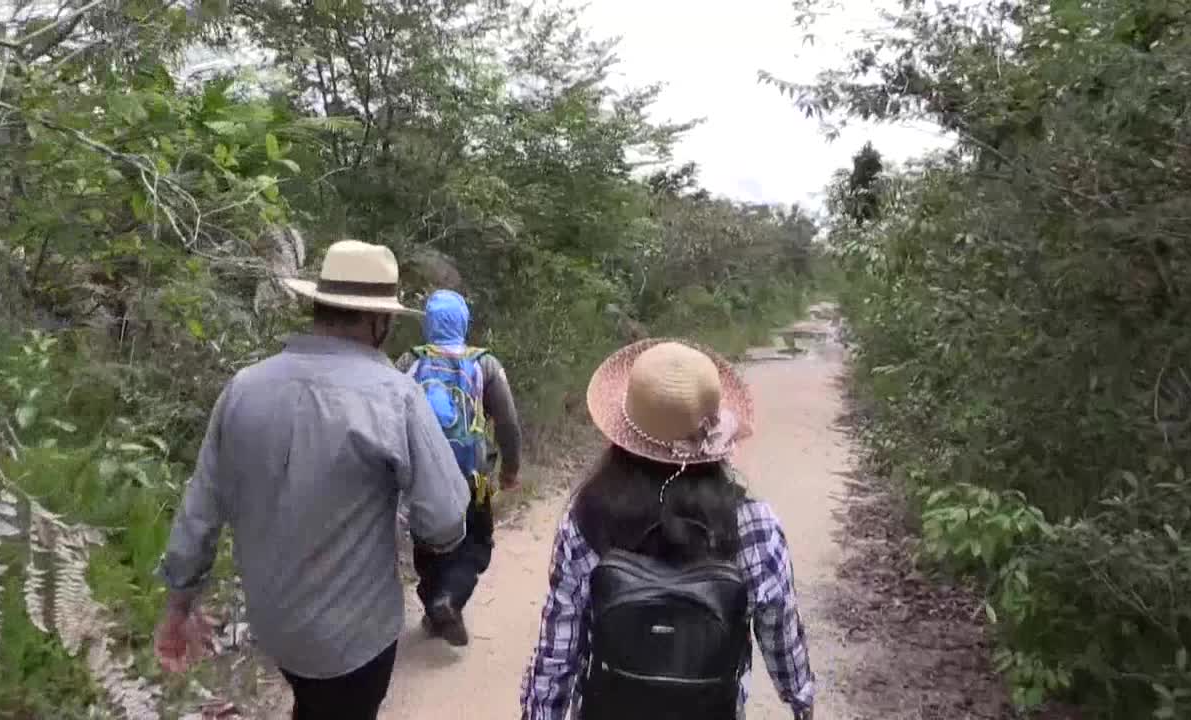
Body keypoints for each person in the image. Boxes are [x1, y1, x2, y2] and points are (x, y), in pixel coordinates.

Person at [153, 240, 471, 720]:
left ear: (318, 305)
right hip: (355, 640)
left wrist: (178, 606)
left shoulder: (244, 386)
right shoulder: (395, 397)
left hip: (274, 627)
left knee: (313, 703)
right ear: (377, 321)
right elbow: (445, 521)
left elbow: (200, 510)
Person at [520, 339, 817, 720]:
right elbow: (779, 625)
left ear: (622, 432)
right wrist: (800, 696)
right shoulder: (753, 523)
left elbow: (559, 649)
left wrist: (539, 713)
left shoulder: (587, 517)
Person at [396, 289, 522, 647]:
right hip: (477, 475)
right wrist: (510, 469)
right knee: (478, 538)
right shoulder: (485, 364)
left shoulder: (410, 361)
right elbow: (508, 423)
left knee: (427, 539)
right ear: (464, 321)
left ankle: (436, 600)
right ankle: (449, 598)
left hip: (423, 475)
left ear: (429, 323)